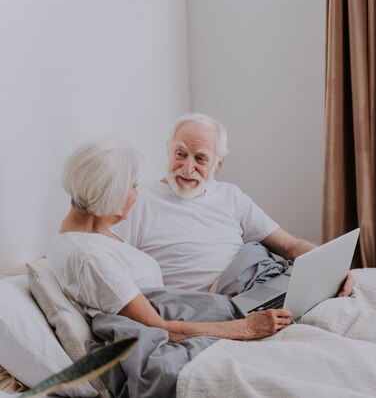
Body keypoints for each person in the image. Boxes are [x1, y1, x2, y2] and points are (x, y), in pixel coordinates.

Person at [47, 136, 292, 343]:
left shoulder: (85, 234)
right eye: (133, 185)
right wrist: (247, 328)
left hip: (201, 304)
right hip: (181, 327)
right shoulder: (91, 258)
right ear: (112, 193)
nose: (137, 193)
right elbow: (159, 329)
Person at [114, 113, 353, 296]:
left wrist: (334, 271)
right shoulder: (139, 200)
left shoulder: (230, 196)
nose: (187, 168)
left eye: (200, 159)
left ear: (218, 165)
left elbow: (289, 246)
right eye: (180, 154)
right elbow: (112, 264)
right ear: (168, 150)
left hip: (251, 293)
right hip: (200, 308)